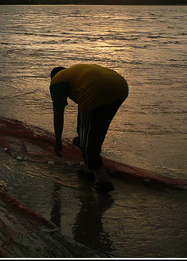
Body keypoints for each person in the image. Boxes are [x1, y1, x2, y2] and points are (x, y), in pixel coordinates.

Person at [49, 64, 129, 193]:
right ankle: (88, 167)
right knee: (91, 132)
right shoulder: (76, 75)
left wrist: (57, 140)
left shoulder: (57, 80)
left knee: (88, 142)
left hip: (96, 89)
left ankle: (103, 181)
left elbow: (58, 113)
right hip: (121, 87)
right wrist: (82, 136)